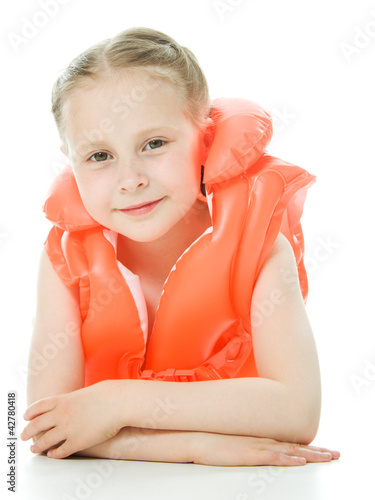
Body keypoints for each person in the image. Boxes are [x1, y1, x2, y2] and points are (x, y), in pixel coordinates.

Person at [20, 27, 340, 466]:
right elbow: (50, 428)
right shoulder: (65, 261)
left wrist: (116, 403)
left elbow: (298, 412)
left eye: (154, 144)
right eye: (99, 156)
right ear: (69, 160)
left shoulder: (260, 248)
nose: (130, 179)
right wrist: (192, 446)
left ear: (205, 138)